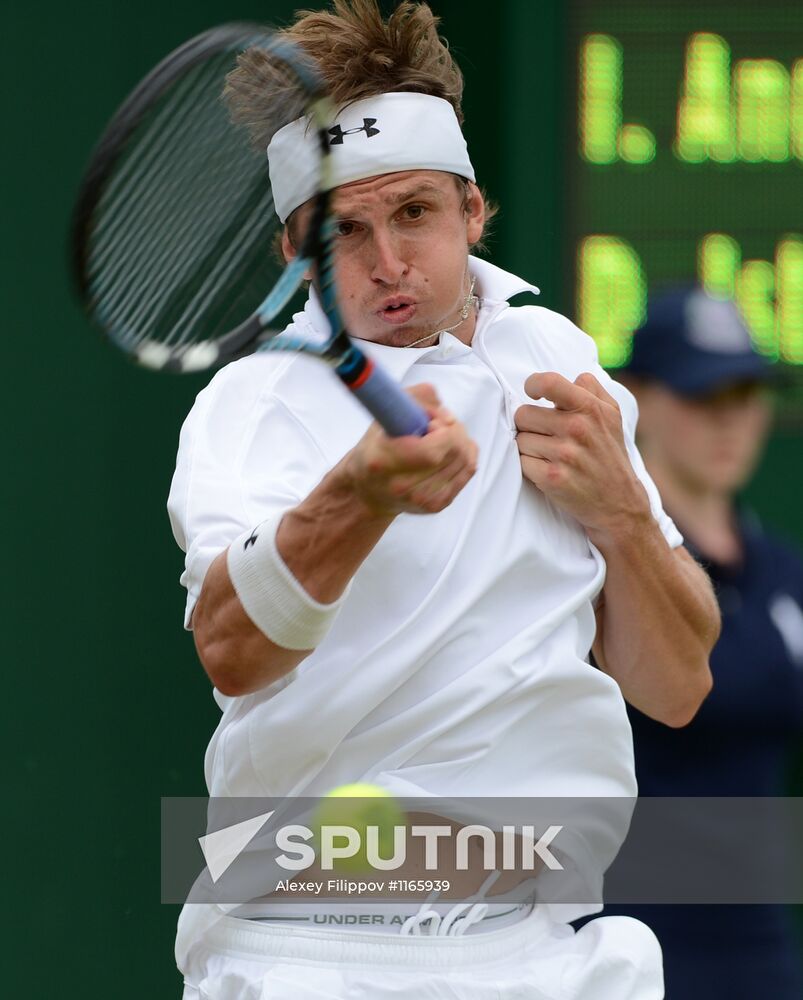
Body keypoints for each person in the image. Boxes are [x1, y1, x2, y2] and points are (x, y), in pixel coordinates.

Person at [166, 3, 720, 997]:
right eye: (347, 231)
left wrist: (622, 517)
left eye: (415, 213)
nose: (387, 264)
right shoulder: (253, 408)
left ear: (472, 211)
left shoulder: (560, 361)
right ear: (296, 251)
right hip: (311, 943)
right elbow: (231, 647)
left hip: (546, 946)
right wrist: (362, 493)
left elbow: (674, 686)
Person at [611, 286, 803, 998]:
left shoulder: (785, 573)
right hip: (623, 947)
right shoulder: (593, 566)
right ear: (635, 401)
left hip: (759, 953)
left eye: (746, 394)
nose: (729, 422)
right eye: (702, 396)